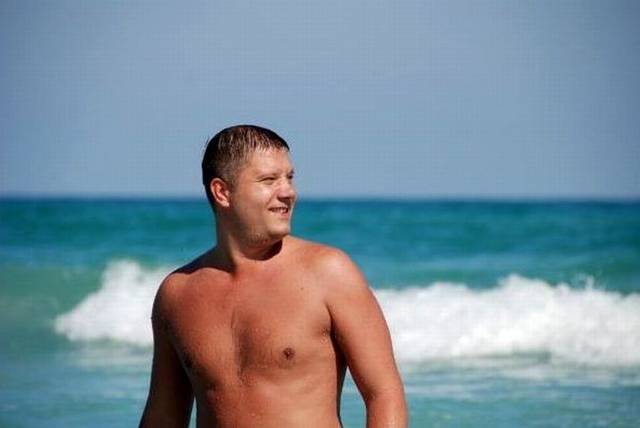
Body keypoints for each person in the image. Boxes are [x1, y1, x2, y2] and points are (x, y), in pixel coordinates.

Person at [139, 125, 407, 427]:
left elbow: (384, 395)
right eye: (269, 180)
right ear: (222, 192)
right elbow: (164, 416)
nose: (288, 192)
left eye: (289, 178)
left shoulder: (328, 273)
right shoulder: (177, 293)